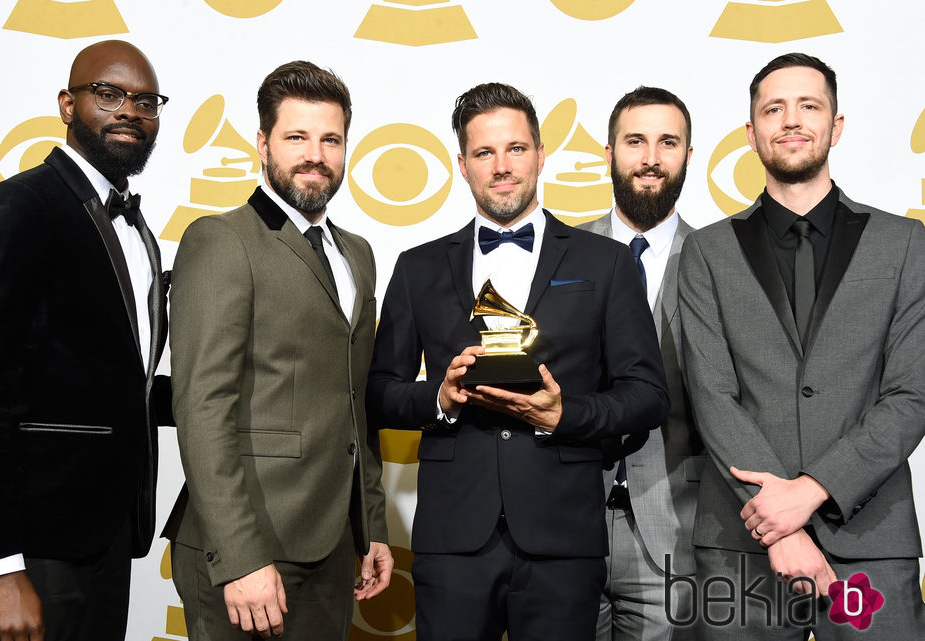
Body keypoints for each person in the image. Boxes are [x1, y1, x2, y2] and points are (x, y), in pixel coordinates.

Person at [367, 82, 669, 641]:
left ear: (540, 154)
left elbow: (647, 395)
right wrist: (440, 396)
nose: (501, 167)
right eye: (484, 153)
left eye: (515, 149)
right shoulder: (417, 267)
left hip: (563, 540)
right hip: (453, 541)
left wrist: (564, 415)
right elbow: (379, 392)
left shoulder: (606, 263)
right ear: (461, 164)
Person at [679, 52, 925, 638]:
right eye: (773, 108)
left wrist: (812, 492)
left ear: (836, 126)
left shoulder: (906, 243)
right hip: (743, 549)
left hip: (870, 541)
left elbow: (912, 395)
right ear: (751, 132)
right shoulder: (707, 252)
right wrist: (781, 527)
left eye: (809, 106)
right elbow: (712, 396)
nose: (791, 120)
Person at [0, 40, 170, 641]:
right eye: (110, 94)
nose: (130, 110)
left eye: (146, 102)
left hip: (105, 538)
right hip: (28, 547)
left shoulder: (135, 227)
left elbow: (119, 380)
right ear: (68, 105)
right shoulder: (19, 209)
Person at [163, 60, 392, 641]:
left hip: (334, 545)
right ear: (262, 144)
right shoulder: (221, 239)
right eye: (296, 137)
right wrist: (240, 557)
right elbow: (201, 407)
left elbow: (354, 404)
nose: (315, 154)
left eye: (330, 139)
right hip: (247, 548)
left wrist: (370, 528)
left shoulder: (358, 254)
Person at [580, 86, 703, 641]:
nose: (651, 157)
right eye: (635, 141)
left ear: (688, 156)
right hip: (564, 530)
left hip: (675, 532)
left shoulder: (719, 262)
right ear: (608, 152)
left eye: (667, 142)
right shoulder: (560, 253)